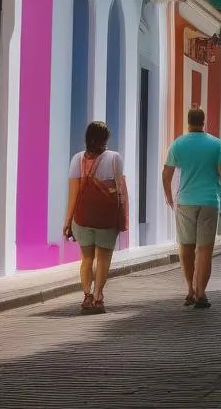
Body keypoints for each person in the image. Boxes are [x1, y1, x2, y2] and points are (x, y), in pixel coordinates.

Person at [162, 107, 221, 309]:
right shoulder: (218, 145)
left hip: (185, 201)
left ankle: (190, 289)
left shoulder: (178, 144)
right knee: (204, 250)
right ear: (204, 121)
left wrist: (169, 197)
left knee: (186, 246)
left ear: (188, 122)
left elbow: (166, 174)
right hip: (210, 201)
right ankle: (201, 292)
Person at [63, 121, 128, 314]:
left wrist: (68, 221)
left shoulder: (77, 159)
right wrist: (123, 217)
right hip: (107, 217)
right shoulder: (115, 158)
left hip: (83, 217)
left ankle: (86, 295)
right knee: (103, 258)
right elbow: (120, 191)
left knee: (87, 258)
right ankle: (99, 295)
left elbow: (73, 194)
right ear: (105, 139)